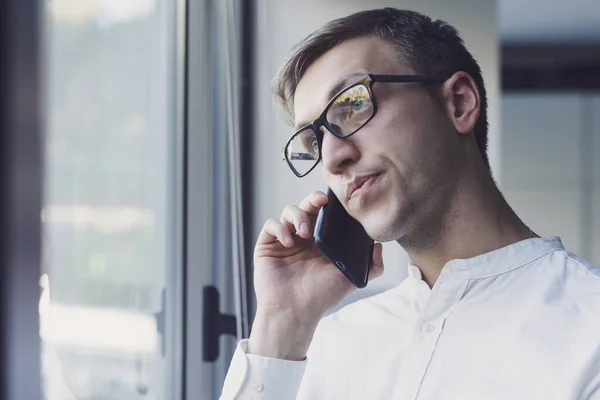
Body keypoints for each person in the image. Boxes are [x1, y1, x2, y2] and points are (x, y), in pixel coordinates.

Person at [220, 8, 600, 400]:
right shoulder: (327, 345)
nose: (332, 157)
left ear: (459, 103)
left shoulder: (589, 332)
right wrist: (284, 321)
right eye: (313, 142)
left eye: (352, 105)